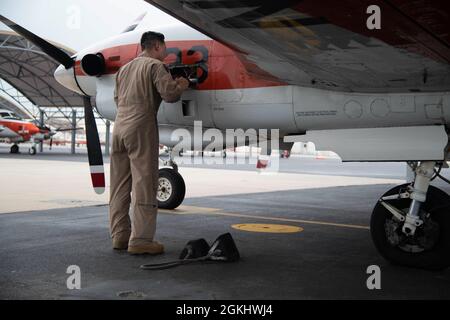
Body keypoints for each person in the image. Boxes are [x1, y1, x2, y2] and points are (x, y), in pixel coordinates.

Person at [110, 31, 190, 255]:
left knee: (119, 185)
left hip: (119, 128)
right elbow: (169, 94)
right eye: (164, 48)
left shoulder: (123, 69)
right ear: (156, 46)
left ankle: (120, 236)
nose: (166, 52)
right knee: (145, 183)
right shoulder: (155, 66)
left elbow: (117, 99)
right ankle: (142, 240)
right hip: (140, 127)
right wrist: (182, 83)